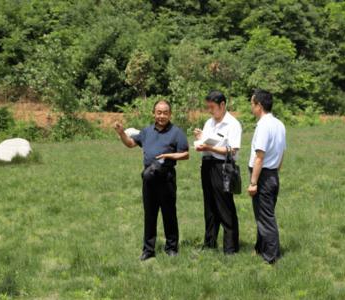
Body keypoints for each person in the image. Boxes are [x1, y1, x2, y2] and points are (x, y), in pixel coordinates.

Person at [113, 100, 189, 261]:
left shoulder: (177, 132)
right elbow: (130, 143)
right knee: (150, 215)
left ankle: (171, 248)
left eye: (165, 112)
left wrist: (168, 156)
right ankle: (148, 250)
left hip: (166, 177)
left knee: (169, 214)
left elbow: (185, 154)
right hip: (149, 178)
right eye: (159, 112)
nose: (162, 116)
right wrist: (121, 133)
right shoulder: (147, 131)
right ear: (154, 113)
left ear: (170, 114)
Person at [194, 90, 242, 255]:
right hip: (207, 165)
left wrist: (209, 147)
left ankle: (230, 247)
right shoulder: (209, 123)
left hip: (222, 167)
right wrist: (201, 138)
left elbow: (233, 150)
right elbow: (207, 142)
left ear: (222, 105)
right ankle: (209, 243)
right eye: (208, 107)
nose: (210, 110)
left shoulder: (233, 124)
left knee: (225, 207)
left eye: (212, 107)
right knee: (209, 206)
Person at [247, 89, 286, 264]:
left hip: (263, 176)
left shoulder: (263, 125)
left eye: (252, 104)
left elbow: (259, 157)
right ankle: (260, 248)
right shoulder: (279, 124)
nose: (251, 107)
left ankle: (271, 256)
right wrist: (276, 172)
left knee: (265, 218)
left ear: (259, 105)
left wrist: (254, 182)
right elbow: (282, 153)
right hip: (272, 175)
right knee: (263, 215)